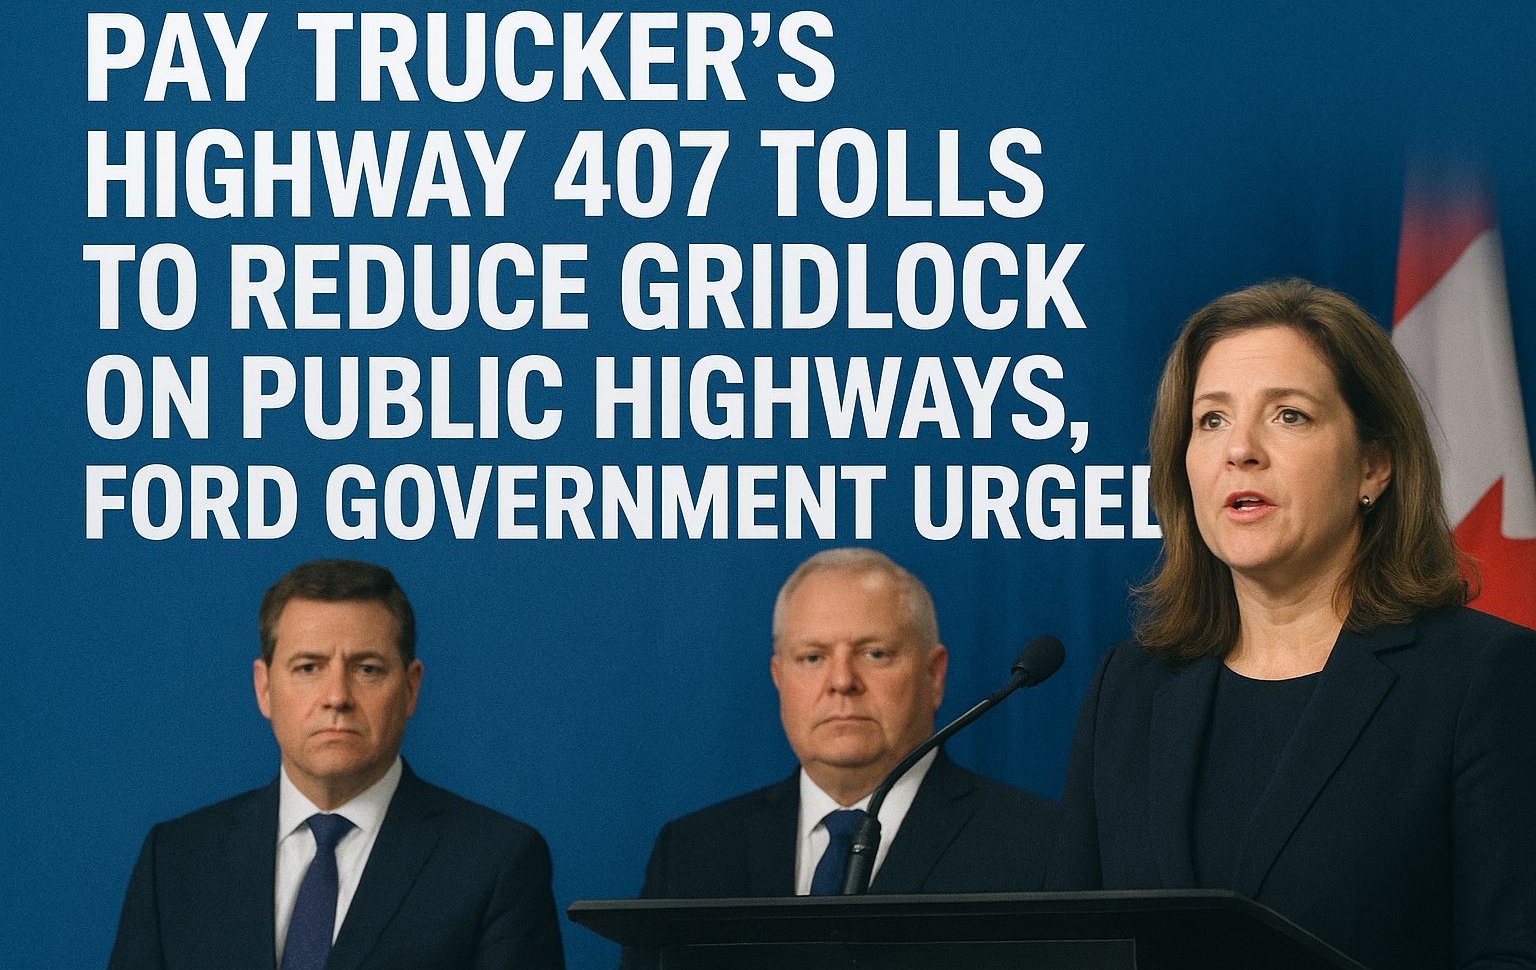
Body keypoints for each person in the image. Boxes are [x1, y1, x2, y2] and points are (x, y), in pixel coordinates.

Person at [1050, 280, 1536, 970]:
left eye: (1289, 416)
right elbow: (1073, 951)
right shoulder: (1127, 691)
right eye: (1211, 420)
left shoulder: (1482, 680)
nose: (1239, 450)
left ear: (1374, 464)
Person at [107, 559, 565, 970]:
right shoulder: (176, 858)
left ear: (410, 688)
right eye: (309, 667)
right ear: (264, 688)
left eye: (367, 669)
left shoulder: (495, 861)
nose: (337, 697)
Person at [634, 547, 1060, 901]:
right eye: (812, 657)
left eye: (874, 653)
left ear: (934, 676)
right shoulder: (691, 853)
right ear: (779, 679)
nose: (841, 682)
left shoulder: (1039, 844)